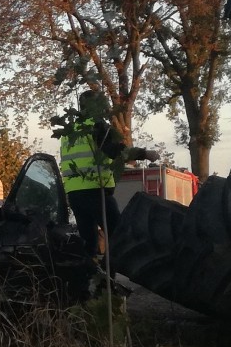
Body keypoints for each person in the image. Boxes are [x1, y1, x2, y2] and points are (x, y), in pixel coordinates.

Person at [59, 90, 159, 258]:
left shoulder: (69, 131)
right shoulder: (97, 126)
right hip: (95, 189)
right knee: (117, 234)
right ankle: (109, 279)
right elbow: (114, 151)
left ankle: (89, 278)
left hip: (74, 193)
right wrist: (144, 154)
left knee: (88, 241)